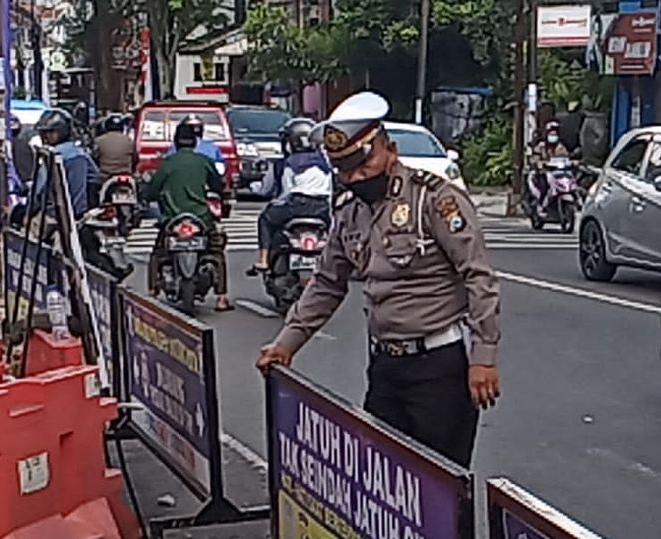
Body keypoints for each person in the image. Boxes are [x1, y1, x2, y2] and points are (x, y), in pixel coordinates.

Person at [255, 92, 501, 468]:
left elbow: (478, 276)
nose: (355, 176)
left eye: (362, 163)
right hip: (386, 366)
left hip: (439, 366)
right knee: (385, 483)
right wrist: (286, 343)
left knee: (443, 489)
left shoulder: (434, 200)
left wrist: (483, 357)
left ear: (389, 149)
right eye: (344, 169)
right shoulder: (350, 213)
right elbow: (326, 283)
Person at [143, 119, 232, 312]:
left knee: (158, 253)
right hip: (202, 218)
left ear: (175, 142)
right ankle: (222, 298)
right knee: (216, 253)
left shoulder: (167, 163)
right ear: (195, 142)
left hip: (171, 219)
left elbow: (151, 191)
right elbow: (218, 185)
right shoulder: (205, 161)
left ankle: (152, 293)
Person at [250, 117, 333, 274]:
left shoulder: (287, 164)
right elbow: (331, 190)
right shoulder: (325, 163)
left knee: (265, 219)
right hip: (322, 208)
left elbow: (285, 192)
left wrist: (264, 195)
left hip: (296, 206)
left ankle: (263, 260)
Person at [33, 108, 99, 218]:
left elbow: (77, 197)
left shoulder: (73, 155)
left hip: (69, 217)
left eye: (50, 132)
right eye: (43, 132)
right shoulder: (53, 153)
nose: (45, 136)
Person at [93, 113, 137, 182]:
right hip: (126, 176)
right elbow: (135, 159)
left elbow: (94, 158)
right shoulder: (129, 141)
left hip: (105, 177)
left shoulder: (99, 140)